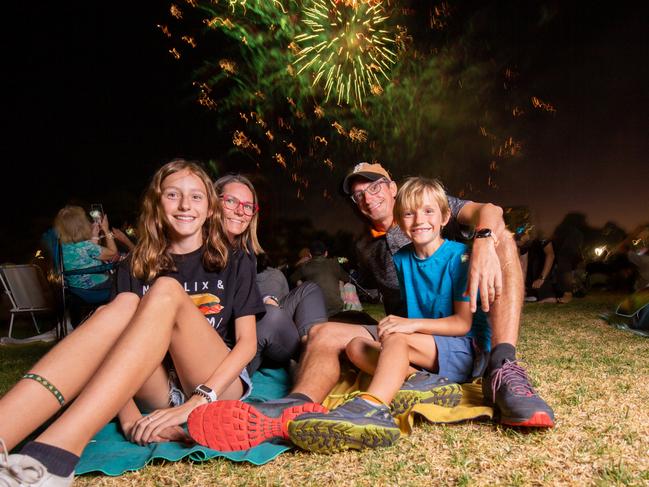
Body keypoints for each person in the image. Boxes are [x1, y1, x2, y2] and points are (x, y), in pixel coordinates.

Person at [0, 159, 265, 485]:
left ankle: (55, 454)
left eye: (196, 197)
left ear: (210, 208)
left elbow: (247, 344)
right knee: (124, 305)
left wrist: (196, 403)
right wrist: (129, 420)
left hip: (215, 381)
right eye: (172, 195)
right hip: (158, 386)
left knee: (166, 290)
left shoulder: (235, 259)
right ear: (156, 203)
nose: (185, 205)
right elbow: (114, 351)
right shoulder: (134, 266)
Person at [287, 177, 490, 452]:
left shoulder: (460, 257)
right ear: (399, 220)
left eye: (429, 211)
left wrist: (406, 325)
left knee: (395, 335)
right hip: (428, 344)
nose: (419, 220)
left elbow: (463, 323)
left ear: (445, 217)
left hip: (465, 348)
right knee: (356, 347)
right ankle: (424, 382)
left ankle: (372, 408)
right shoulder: (403, 258)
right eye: (409, 213)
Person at [213, 174, 330, 373]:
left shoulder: (243, 254)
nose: (240, 211)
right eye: (231, 201)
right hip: (233, 346)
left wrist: (265, 298)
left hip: (252, 324)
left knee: (309, 289)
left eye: (248, 206)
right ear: (212, 202)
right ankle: (314, 357)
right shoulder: (198, 251)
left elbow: (243, 295)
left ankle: (317, 345)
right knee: (272, 316)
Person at [53, 205, 120, 292]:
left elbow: (87, 253)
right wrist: (107, 230)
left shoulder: (63, 246)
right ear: (81, 225)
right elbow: (113, 253)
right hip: (95, 285)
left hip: (76, 286)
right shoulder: (85, 246)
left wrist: (95, 235)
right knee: (125, 276)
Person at [290, 240, 350, 317]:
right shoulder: (335, 263)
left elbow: (292, 279)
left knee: (299, 281)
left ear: (310, 255)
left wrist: (299, 263)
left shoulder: (305, 266)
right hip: (336, 307)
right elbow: (347, 276)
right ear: (326, 253)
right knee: (340, 279)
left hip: (316, 308)